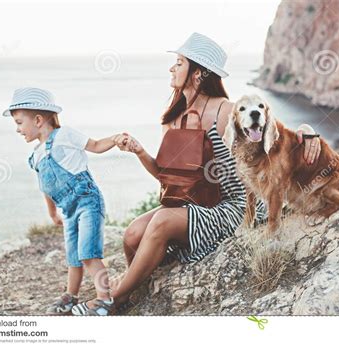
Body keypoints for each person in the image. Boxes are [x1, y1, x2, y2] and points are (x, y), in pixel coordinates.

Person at [103, 33, 322, 312]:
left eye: (179, 63)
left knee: (160, 221)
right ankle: (135, 290)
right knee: (132, 234)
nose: (172, 68)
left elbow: (275, 134)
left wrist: (307, 131)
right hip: (189, 204)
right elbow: (164, 176)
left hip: (230, 207)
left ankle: (113, 297)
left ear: (197, 74)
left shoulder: (226, 111)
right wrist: (140, 152)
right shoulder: (172, 119)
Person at [3, 87, 124, 316]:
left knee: (89, 254)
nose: (18, 130)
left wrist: (116, 139)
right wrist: (52, 213)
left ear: (38, 120)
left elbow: (96, 146)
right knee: (73, 258)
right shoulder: (36, 156)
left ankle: (105, 301)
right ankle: (71, 296)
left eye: (19, 123)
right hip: (67, 210)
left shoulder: (65, 135)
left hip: (88, 202)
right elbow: (46, 188)